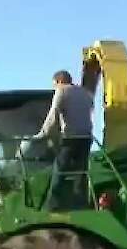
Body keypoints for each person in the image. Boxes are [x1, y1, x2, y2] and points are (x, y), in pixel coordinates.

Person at [33, 70, 95, 210]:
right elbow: (90, 110)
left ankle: (52, 205)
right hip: (86, 138)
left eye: (55, 84)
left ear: (60, 81)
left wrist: (42, 134)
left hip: (70, 138)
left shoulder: (62, 91)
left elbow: (53, 115)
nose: (55, 88)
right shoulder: (86, 93)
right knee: (81, 172)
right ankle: (81, 204)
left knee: (59, 169)